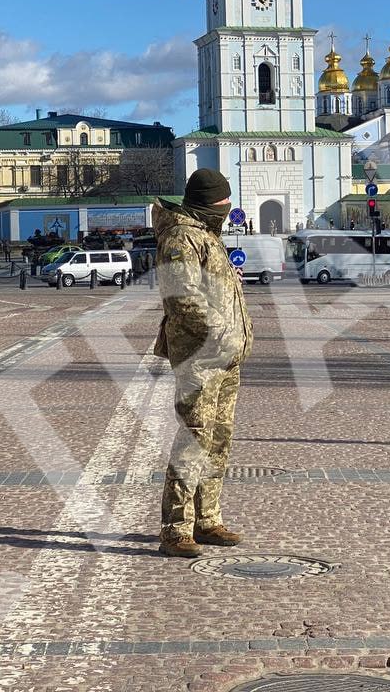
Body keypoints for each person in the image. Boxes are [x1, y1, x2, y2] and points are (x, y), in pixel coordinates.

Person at [151, 169, 254, 558]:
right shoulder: (181, 238)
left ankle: (206, 518)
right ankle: (176, 528)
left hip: (225, 357)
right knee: (194, 439)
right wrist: (222, 333)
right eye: (224, 200)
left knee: (218, 439)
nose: (228, 206)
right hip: (200, 357)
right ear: (209, 202)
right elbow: (182, 298)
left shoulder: (208, 235)